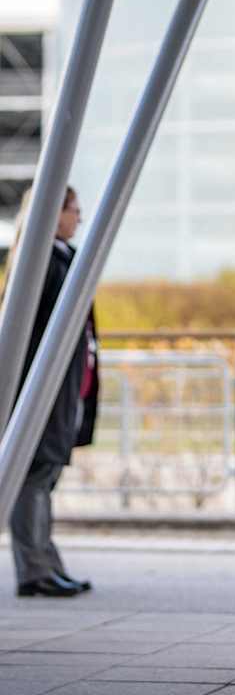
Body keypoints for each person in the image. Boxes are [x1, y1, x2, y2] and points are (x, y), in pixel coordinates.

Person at [4, 186, 93, 598]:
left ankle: (46, 562)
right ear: (53, 213)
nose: (80, 217)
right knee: (34, 476)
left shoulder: (59, 257)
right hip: (42, 389)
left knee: (45, 476)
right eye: (74, 210)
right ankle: (34, 569)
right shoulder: (39, 261)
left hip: (63, 386)